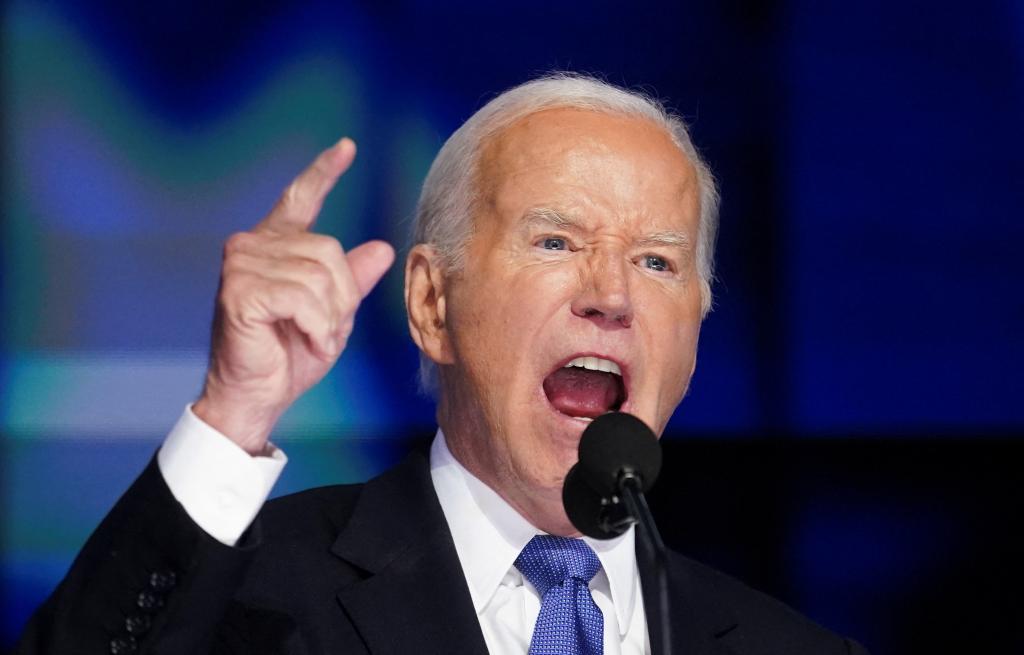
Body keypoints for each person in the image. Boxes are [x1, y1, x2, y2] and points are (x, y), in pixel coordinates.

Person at [16, 73, 867, 654]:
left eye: (656, 261)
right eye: (556, 240)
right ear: (431, 303)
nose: (611, 294)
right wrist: (234, 408)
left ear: (695, 331)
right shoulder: (256, 595)